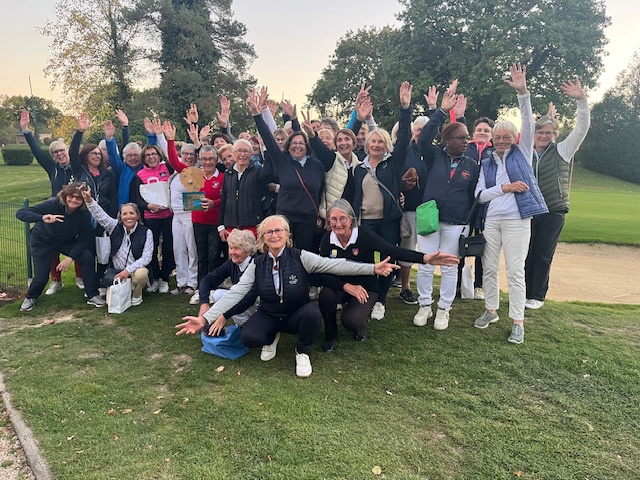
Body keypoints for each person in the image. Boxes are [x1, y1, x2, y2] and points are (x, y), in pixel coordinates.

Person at [176, 215, 399, 378]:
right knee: (249, 338)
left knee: (313, 314)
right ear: (262, 238)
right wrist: (205, 318)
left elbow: (335, 265)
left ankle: (302, 351)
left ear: (287, 234)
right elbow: (236, 292)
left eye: (278, 231)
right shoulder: (257, 263)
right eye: (269, 232)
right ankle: (272, 337)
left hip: (296, 313)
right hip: (270, 314)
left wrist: (372, 268)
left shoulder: (301, 257)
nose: (274, 235)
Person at [318, 199, 459, 351]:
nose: (338, 224)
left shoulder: (364, 235)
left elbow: (392, 250)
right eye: (333, 219)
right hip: (341, 287)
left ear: (351, 219)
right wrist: (346, 286)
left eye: (343, 218)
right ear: (328, 221)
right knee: (326, 294)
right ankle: (331, 336)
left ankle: (359, 326)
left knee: (351, 320)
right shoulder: (327, 239)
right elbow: (323, 274)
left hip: (365, 287)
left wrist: (424, 258)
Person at [473, 64, 548, 345]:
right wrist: (505, 188)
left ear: (513, 139)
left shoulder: (522, 152)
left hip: (518, 220)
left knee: (515, 272)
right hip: (492, 221)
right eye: (498, 138)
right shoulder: (487, 161)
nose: (502, 141)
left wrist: (523, 93)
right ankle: (491, 310)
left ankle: (517, 321)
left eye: (506, 137)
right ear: (492, 140)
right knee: (489, 268)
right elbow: (480, 196)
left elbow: (528, 123)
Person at [413, 87, 480, 330]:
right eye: (461, 138)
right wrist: (441, 111)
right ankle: (424, 304)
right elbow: (424, 137)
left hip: (456, 223)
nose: (465, 141)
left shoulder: (471, 164)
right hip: (430, 219)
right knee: (426, 264)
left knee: (450, 266)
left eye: (467, 138)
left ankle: (444, 309)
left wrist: (470, 224)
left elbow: (474, 196)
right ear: (447, 140)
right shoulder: (434, 155)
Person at [345, 81, 413, 320]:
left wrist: (405, 109)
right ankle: (365, 296)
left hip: (387, 222)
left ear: (386, 146)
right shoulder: (359, 168)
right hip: (365, 222)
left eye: (380, 142)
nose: (376, 145)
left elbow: (404, 137)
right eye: (373, 141)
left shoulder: (392, 164)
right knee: (363, 260)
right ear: (366, 144)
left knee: (387, 260)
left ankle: (381, 300)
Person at [525, 77, 590, 310]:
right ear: (534, 133)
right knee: (527, 253)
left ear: (555, 134)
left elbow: (581, 128)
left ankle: (537, 296)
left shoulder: (563, 150)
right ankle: (525, 292)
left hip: (553, 210)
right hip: (529, 210)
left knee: (543, 254)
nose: (544, 136)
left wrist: (581, 101)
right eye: (540, 132)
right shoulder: (526, 153)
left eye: (549, 132)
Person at [247, 92, 333, 252]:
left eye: (301, 143)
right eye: (294, 143)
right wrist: (257, 114)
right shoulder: (283, 161)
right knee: (283, 252)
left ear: (307, 146)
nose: (297, 146)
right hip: (285, 217)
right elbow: (268, 139)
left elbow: (309, 141)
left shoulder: (316, 164)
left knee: (302, 254)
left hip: (308, 219)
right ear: (288, 145)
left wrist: (295, 120)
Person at [19, 109, 80, 295]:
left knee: (78, 241)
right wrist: (26, 130)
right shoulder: (53, 169)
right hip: (56, 210)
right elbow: (37, 152)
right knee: (51, 243)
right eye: (55, 152)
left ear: (67, 150)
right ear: (53, 156)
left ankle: (80, 277)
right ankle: (56, 280)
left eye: (62, 150)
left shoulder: (78, 166)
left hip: (75, 209)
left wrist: (80, 131)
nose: (59, 154)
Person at [16, 183, 104, 311]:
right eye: (71, 196)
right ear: (65, 195)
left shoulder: (84, 213)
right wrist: (42, 217)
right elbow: (21, 213)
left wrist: (70, 258)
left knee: (86, 256)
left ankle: (92, 294)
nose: (74, 200)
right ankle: (31, 297)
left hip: (65, 241)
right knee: (41, 277)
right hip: (43, 241)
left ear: (83, 200)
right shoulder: (52, 204)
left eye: (79, 198)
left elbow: (84, 239)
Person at [81, 186, 153, 306]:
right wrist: (88, 199)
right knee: (110, 303)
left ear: (137, 216)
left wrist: (128, 270)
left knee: (141, 275)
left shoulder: (146, 232)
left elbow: (146, 257)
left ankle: (137, 294)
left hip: (134, 270)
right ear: (120, 216)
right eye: (124, 214)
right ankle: (123, 287)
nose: (128, 217)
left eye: (131, 213)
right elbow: (99, 214)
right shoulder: (114, 226)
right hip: (116, 271)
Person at [131, 143, 175, 294]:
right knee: (152, 248)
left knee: (168, 247)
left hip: (168, 216)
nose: (151, 157)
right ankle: (155, 278)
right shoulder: (139, 175)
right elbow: (137, 199)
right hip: (151, 217)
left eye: (154, 154)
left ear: (159, 155)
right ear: (143, 158)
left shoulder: (167, 168)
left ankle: (165, 279)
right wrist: (148, 206)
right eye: (147, 155)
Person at [196, 229, 260, 326]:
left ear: (248, 250)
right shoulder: (232, 263)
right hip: (244, 302)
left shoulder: (257, 263)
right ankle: (242, 324)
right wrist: (204, 303)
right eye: (231, 248)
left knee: (236, 298)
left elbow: (250, 298)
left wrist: (225, 315)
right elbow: (207, 280)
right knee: (217, 294)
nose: (232, 252)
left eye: (237, 248)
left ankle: (253, 325)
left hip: (259, 304)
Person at [397, 114, 430, 305]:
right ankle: (405, 286)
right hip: (408, 208)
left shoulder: (433, 151)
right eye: (418, 130)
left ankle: (425, 288)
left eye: (425, 130)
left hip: (429, 209)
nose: (421, 133)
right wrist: (402, 184)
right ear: (412, 131)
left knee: (427, 249)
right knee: (407, 247)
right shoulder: (405, 151)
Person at [465, 116, 496, 300]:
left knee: (483, 245)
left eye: (486, 130)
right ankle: (460, 284)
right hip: (465, 204)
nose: (482, 133)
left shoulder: (495, 151)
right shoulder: (466, 148)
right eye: (479, 130)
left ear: (491, 134)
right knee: (461, 243)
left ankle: (479, 285)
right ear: (473, 132)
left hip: (486, 205)